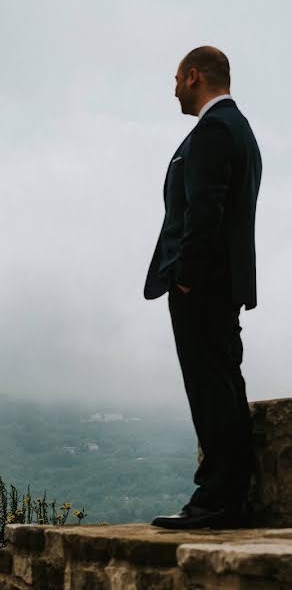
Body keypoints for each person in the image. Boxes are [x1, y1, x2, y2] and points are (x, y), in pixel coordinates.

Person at [144, 46, 262, 529]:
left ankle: (216, 498)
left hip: (204, 282)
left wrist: (187, 278)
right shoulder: (241, 130)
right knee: (224, 383)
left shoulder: (214, 131)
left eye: (176, 79)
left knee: (210, 386)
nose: (172, 89)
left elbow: (204, 210)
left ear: (194, 76)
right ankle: (228, 492)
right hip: (223, 281)